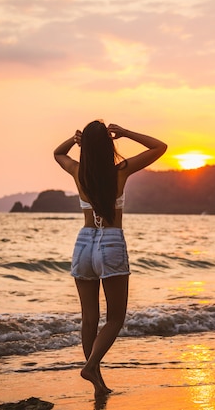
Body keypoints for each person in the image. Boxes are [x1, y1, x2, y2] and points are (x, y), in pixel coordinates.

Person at [54, 120, 167, 396]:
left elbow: (58, 153)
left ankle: (97, 383)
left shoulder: (78, 171)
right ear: (108, 145)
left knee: (89, 318)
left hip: (83, 243)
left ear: (85, 147)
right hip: (110, 242)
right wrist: (126, 133)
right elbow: (160, 147)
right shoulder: (120, 171)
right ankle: (92, 367)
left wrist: (72, 140)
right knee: (115, 317)